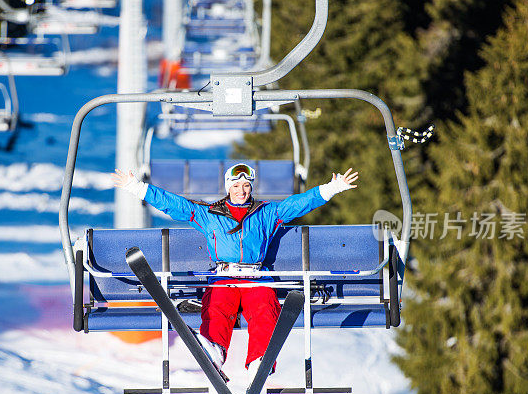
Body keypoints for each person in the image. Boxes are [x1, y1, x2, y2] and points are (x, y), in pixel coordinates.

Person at [113, 162, 359, 380]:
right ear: (228, 187)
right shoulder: (210, 214)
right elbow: (175, 205)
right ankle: (214, 347)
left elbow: (298, 205)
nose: (242, 191)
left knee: (264, 307)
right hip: (225, 275)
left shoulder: (267, 213)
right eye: (236, 185)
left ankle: (260, 359)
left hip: (256, 277)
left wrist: (330, 188)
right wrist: (137, 188)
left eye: (247, 186)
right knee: (219, 302)